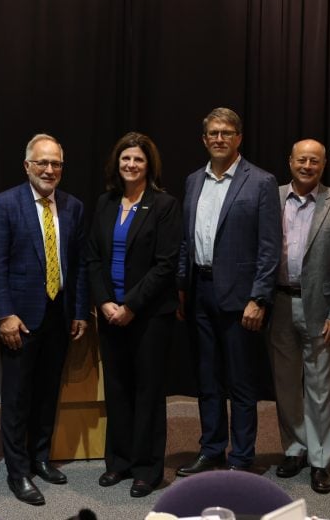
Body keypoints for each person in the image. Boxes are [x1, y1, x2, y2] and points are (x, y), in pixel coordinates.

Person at [0, 133, 89, 506]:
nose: (49, 169)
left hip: (58, 316)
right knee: (16, 397)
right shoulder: (5, 203)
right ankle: (18, 471)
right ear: (27, 165)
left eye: (56, 163)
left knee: (47, 393)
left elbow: (77, 265)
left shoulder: (73, 206)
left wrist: (79, 311)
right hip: (20, 319)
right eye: (42, 162)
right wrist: (5, 315)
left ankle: (40, 457)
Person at [176, 107, 281, 475]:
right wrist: (181, 286)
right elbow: (187, 241)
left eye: (226, 133)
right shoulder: (193, 181)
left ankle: (241, 457)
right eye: (213, 134)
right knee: (207, 379)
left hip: (241, 298)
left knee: (240, 381)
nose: (219, 139)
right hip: (199, 291)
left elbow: (270, 246)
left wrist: (259, 297)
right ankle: (211, 449)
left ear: (239, 138)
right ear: (204, 140)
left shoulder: (261, 182)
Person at [85, 132, 182, 497]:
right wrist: (105, 302)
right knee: (118, 390)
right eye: (125, 159)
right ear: (117, 163)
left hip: (149, 316)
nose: (131, 165)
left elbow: (165, 264)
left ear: (149, 165)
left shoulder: (164, 205)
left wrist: (130, 306)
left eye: (138, 159)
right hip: (111, 314)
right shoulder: (105, 203)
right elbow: (93, 257)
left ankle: (147, 468)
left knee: (148, 392)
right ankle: (120, 462)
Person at [269, 139, 330, 494]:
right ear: (290, 161)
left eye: (314, 160)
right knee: (286, 384)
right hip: (278, 304)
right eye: (301, 159)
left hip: (321, 310)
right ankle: (295, 450)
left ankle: (320, 461)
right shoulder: (270, 197)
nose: (307, 165)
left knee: (320, 388)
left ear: (324, 164)